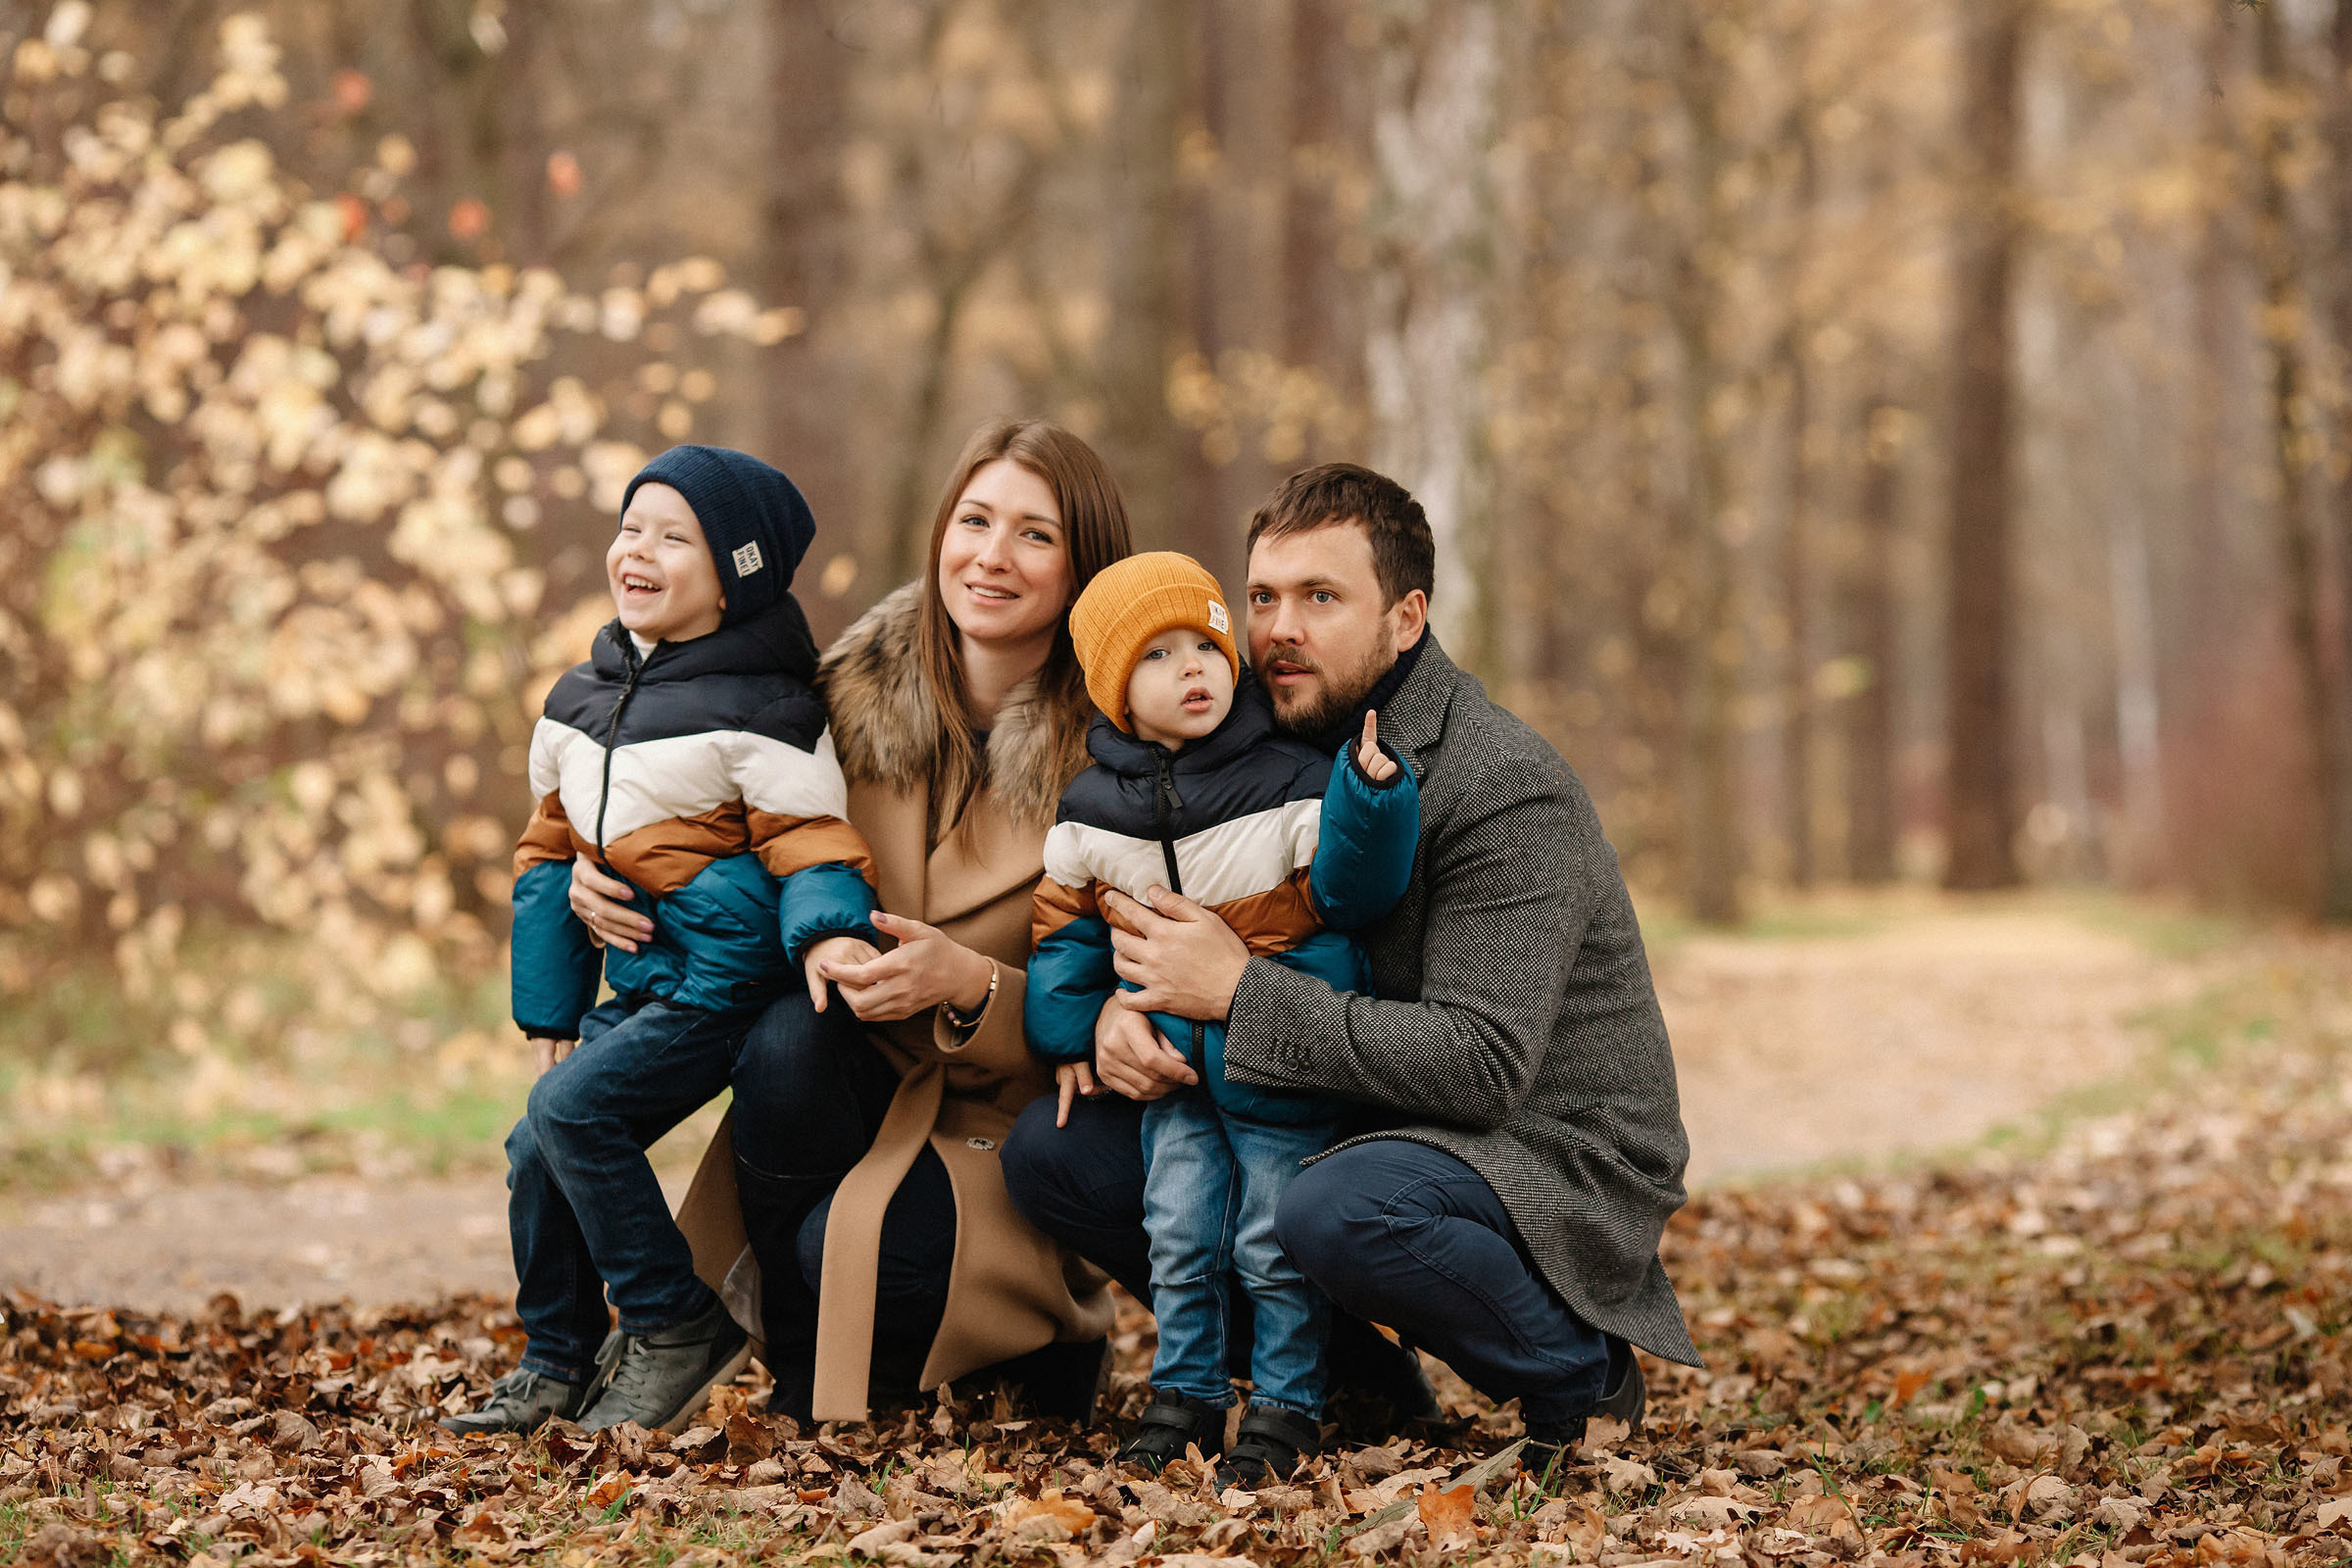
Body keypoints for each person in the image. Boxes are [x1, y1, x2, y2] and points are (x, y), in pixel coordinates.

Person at [1001, 462, 1701, 1465]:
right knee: (1056, 1151)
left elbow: (1483, 1065)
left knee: (1335, 1206)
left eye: (1320, 597)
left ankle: (1578, 1371)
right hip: (1337, 1094)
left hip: (1542, 1143)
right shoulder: (1236, 744)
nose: (1279, 630)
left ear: (1406, 618)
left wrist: (1236, 993)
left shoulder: (1503, 785)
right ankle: (1349, 1379)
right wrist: (1122, 1010)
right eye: (1262, 598)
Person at [566, 420, 1128, 1426]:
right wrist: (600, 866)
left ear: (1084, 566)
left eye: (1035, 535)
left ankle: (1046, 1333)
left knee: (853, 1249)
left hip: (1011, 1121)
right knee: (789, 1037)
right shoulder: (836, 703)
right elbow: (715, 837)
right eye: (975, 521)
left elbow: (1138, 1000)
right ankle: (801, 1363)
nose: (993, 556)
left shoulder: (1126, 752)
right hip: (844, 1084)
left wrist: (972, 985)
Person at [451, 446, 882, 1436]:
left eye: (673, 537)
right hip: (647, 982)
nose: (638, 549)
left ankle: (674, 1321)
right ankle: (556, 1357)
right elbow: (548, 852)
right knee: (535, 1145)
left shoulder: (766, 707)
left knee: (573, 1111)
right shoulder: (577, 700)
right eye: (630, 526)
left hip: (725, 984)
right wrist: (551, 1011)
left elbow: (811, 838)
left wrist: (828, 935)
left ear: (734, 578)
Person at [1024, 552, 1418, 1483]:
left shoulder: (1287, 777)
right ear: (1115, 690)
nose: (1192, 668)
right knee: (1178, 1236)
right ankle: (1186, 1394)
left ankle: (1286, 1406)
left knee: (1271, 1245)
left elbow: (1352, 893)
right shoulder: (1090, 811)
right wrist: (1075, 1031)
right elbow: (1063, 931)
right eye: (1157, 656)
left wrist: (1371, 801)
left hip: (1277, 1063)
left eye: (1204, 645)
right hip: (1173, 1076)